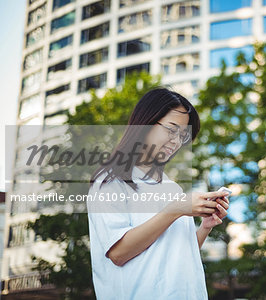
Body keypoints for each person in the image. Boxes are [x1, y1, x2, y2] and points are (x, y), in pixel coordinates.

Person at [86, 88, 230, 299]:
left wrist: (205, 228)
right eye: (171, 130)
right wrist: (176, 210)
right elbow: (118, 253)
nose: (176, 141)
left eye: (183, 136)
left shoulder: (171, 188)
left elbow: (177, 255)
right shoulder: (110, 181)